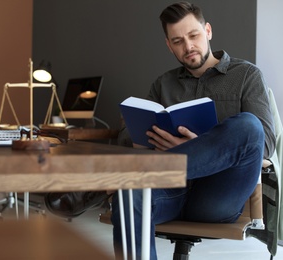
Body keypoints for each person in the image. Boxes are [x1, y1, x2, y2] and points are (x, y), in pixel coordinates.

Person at [112, 1, 276, 259]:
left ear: (208, 31)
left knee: (249, 126)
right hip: (169, 191)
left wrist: (192, 146)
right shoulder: (163, 84)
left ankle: (160, 166)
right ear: (168, 45)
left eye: (193, 35)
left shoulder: (246, 75)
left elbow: (263, 143)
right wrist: (141, 137)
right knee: (129, 193)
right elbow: (126, 140)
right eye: (177, 41)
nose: (187, 46)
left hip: (218, 195)